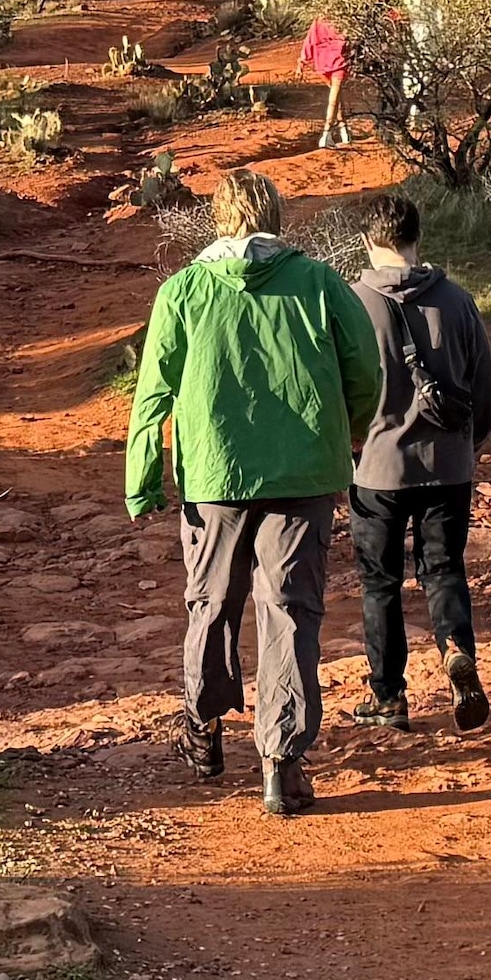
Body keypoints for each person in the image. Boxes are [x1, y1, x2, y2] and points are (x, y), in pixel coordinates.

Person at [128, 165, 380, 815]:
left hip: (214, 475)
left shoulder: (183, 291)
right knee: (289, 610)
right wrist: (347, 432)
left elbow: (153, 391)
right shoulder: (320, 283)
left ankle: (203, 726)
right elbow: (366, 370)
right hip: (304, 475)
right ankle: (281, 764)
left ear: (218, 217)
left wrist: (142, 479)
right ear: (275, 216)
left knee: (211, 602)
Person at [344, 192, 491, 733]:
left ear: (368, 241)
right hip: (448, 465)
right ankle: (456, 651)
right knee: (444, 570)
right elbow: (482, 388)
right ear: (417, 237)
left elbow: (338, 391)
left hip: (376, 469)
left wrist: (349, 450)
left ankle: (388, 698)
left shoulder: (351, 303)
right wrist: (469, 447)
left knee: (379, 584)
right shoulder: (457, 300)